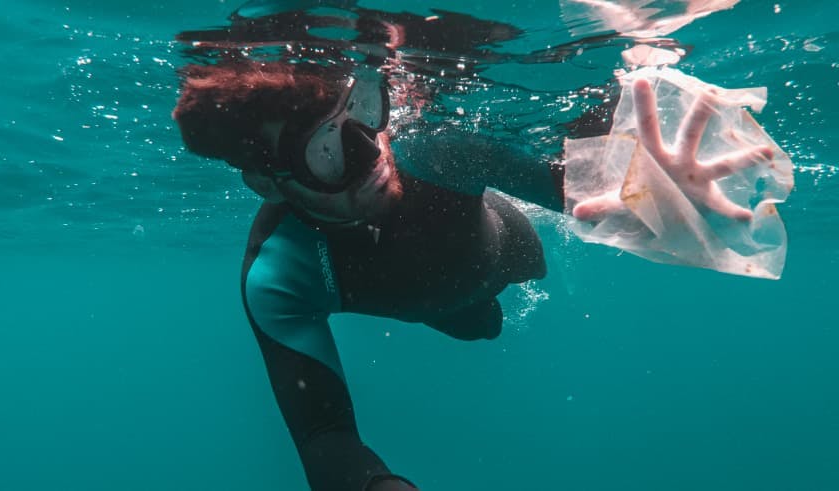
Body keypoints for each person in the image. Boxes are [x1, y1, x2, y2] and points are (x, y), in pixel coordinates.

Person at [171, 59, 771, 491]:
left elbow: (581, 192)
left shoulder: (433, 153)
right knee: (480, 326)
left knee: (497, 291)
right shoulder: (279, 273)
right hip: (448, 304)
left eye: (360, 116)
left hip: (510, 250)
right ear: (268, 182)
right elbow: (324, 434)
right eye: (325, 151)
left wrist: (653, 191)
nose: (372, 152)